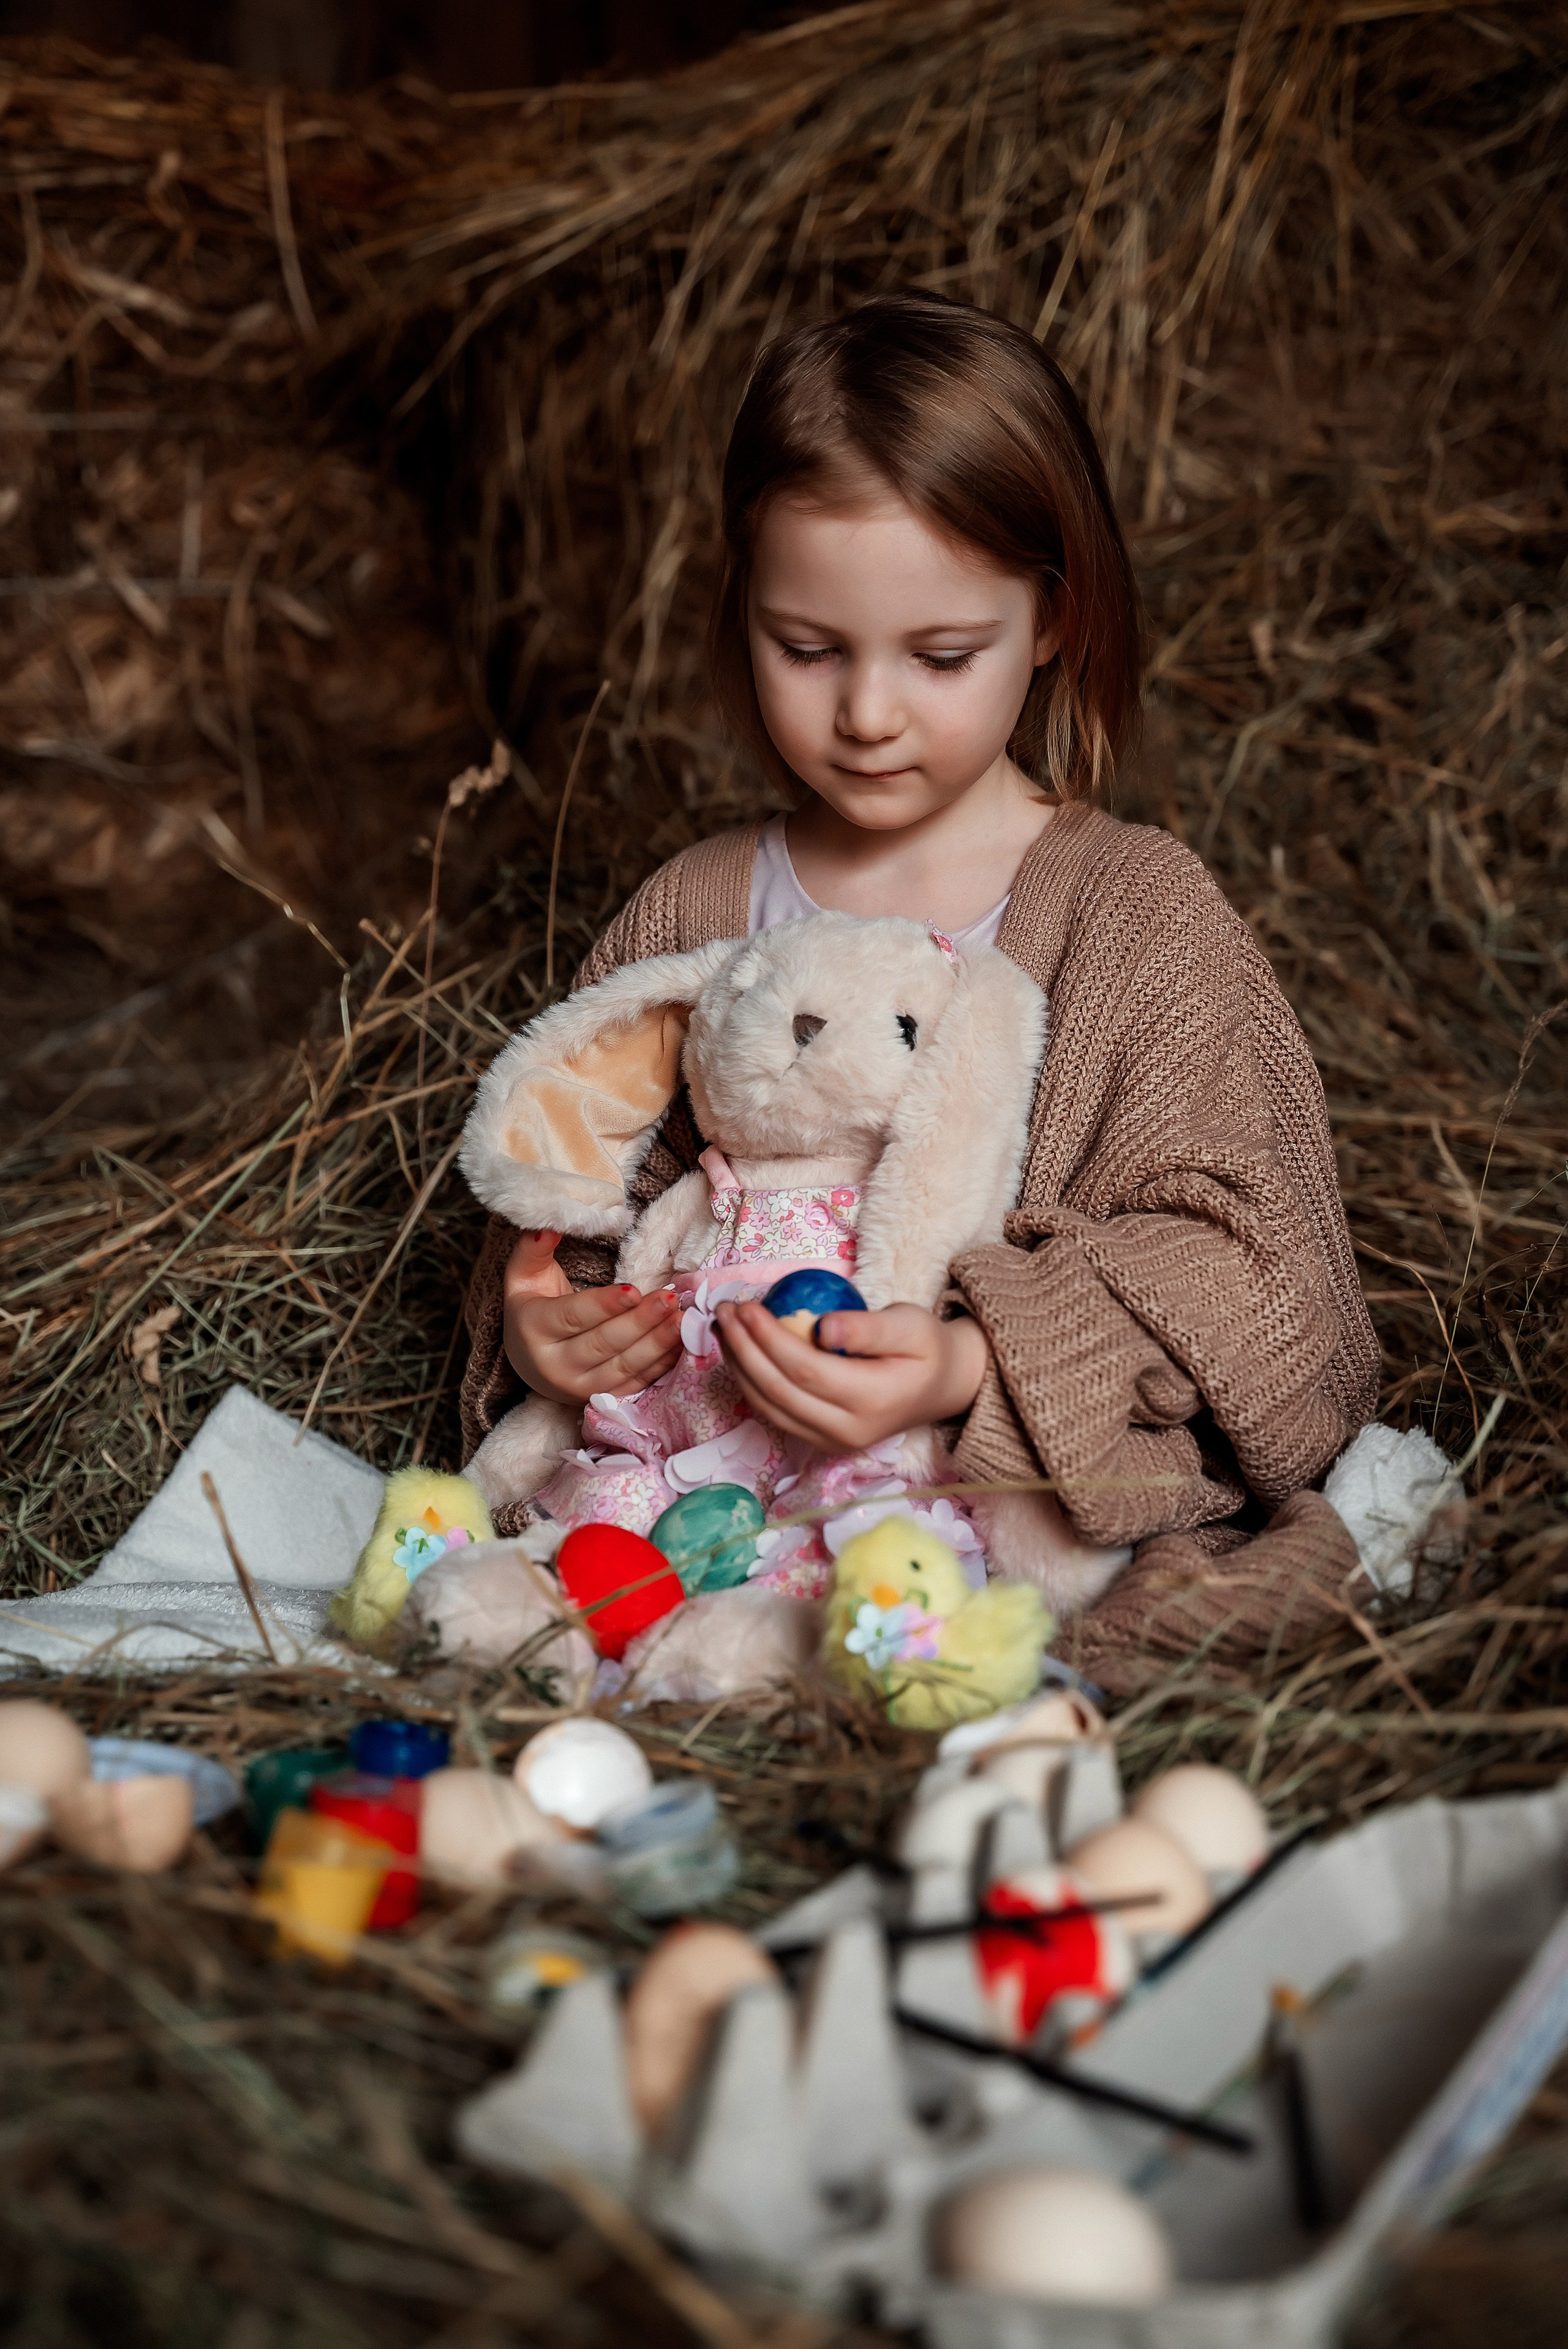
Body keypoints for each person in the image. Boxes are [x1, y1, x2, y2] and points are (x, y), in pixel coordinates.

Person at [460, 291, 1379, 1692]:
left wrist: (968, 1367)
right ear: (741, 611)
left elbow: (1265, 1281)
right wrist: (549, 1326)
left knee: (1196, 1609)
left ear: (1054, 618)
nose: (868, 712)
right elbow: (576, 1199)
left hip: (982, 1510)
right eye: (806, 648)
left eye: (939, 657)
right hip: (707, 1499)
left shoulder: (1136, 918)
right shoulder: (692, 909)